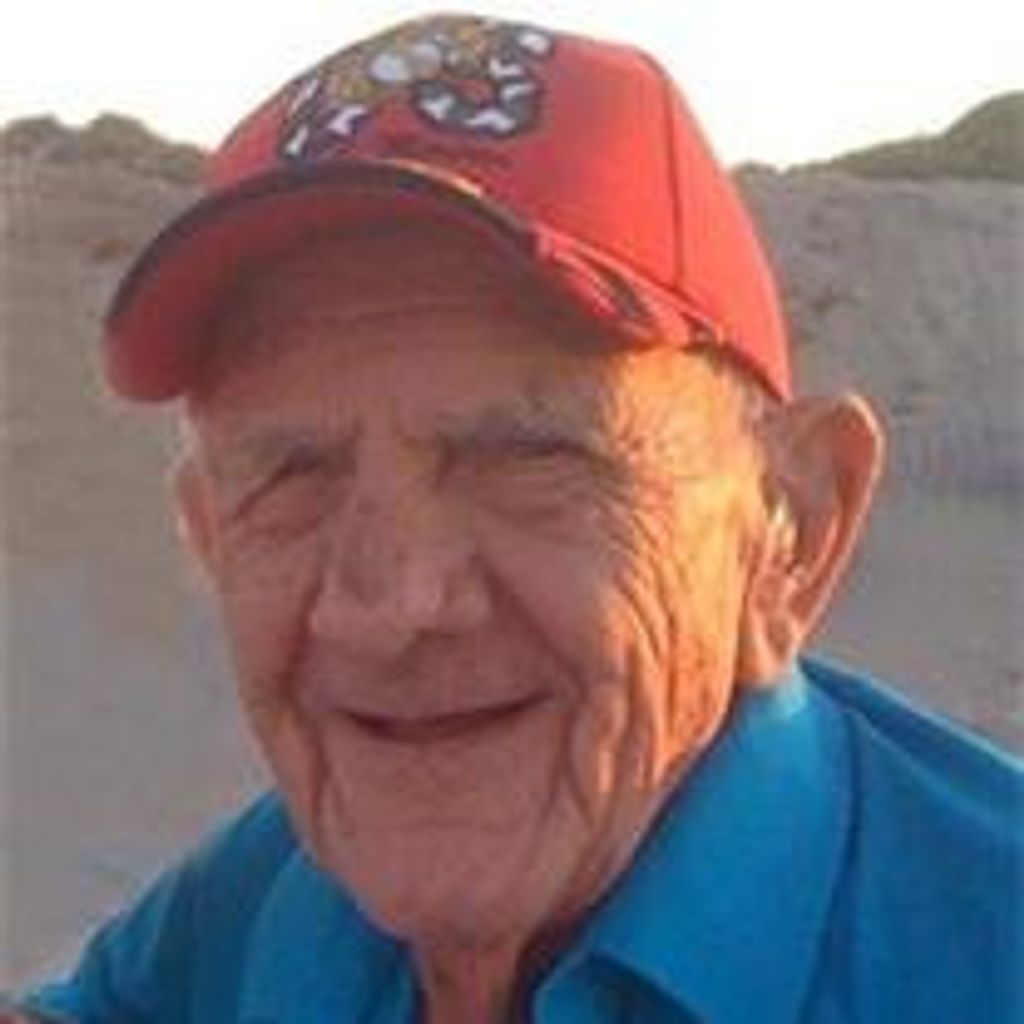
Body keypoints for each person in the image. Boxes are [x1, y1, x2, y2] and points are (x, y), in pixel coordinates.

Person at [7, 13, 1021, 1024]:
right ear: (209, 534)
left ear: (792, 527)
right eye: (291, 475)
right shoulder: (269, 895)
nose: (388, 606)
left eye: (529, 456)